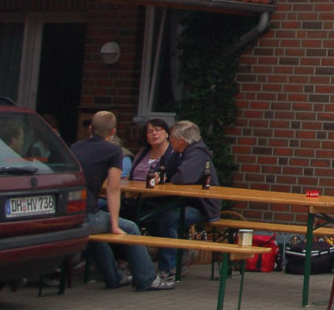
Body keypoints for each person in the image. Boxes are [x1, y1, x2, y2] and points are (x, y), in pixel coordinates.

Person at [70, 111, 170, 291]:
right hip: (86, 217)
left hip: (69, 214)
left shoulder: (75, 147)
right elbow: (113, 189)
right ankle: (147, 279)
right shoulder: (113, 150)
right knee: (130, 227)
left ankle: (114, 277)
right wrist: (115, 225)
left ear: (91, 129)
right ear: (113, 132)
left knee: (98, 236)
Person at [140, 120, 221, 281]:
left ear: (182, 140)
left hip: (203, 206)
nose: (170, 140)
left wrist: (168, 178)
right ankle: (180, 253)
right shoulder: (179, 153)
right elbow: (162, 170)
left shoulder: (197, 154)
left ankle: (168, 269)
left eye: (172, 138)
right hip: (183, 201)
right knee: (147, 215)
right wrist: (159, 175)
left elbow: (183, 177)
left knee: (168, 220)